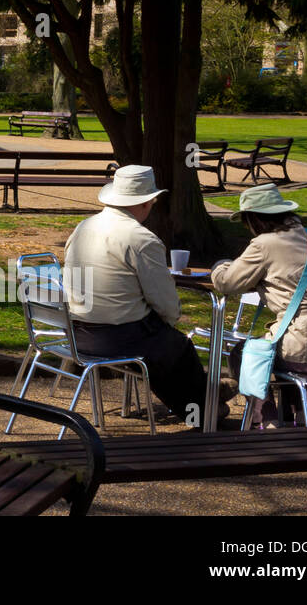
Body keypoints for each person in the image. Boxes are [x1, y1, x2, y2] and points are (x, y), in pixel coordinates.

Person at [63, 164, 209, 422]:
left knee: (164, 344)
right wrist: (168, 320)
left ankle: (191, 406)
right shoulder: (142, 239)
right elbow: (166, 304)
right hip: (118, 339)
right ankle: (201, 413)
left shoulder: (82, 227)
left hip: (77, 333)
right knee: (177, 345)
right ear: (146, 203)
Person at [212, 184, 307, 428]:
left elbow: (227, 283)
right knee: (283, 344)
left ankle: (266, 420)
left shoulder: (265, 244)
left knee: (244, 354)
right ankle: (300, 413)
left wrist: (220, 266)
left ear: (254, 219)